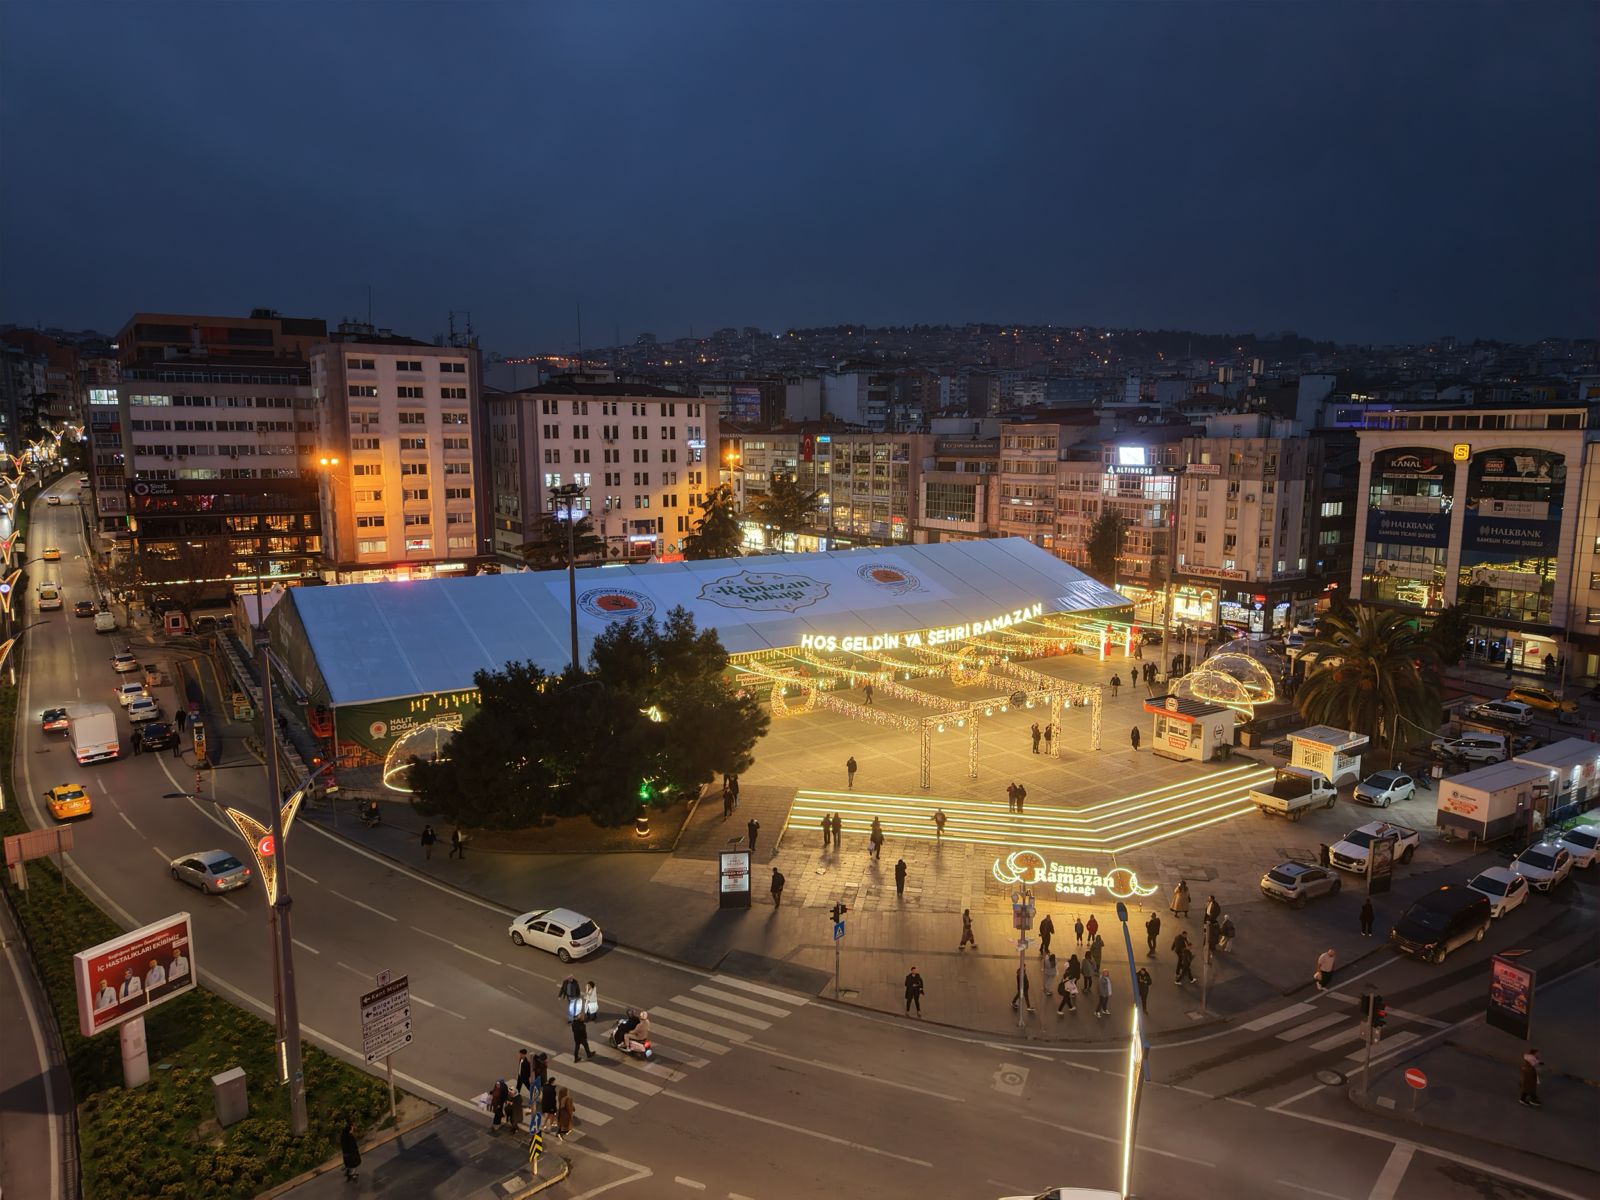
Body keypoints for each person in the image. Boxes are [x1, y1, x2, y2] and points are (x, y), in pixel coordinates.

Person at [340, 1117, 361, 1182]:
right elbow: (354, 1146)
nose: (353, 1130)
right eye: (351, 1129)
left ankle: (348, 1173)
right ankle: (353, 1175)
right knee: (353, 1165)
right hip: (352, 1154)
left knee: (349, 1164)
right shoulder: (350, 1138)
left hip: (346, 1154)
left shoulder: (343, 1137)